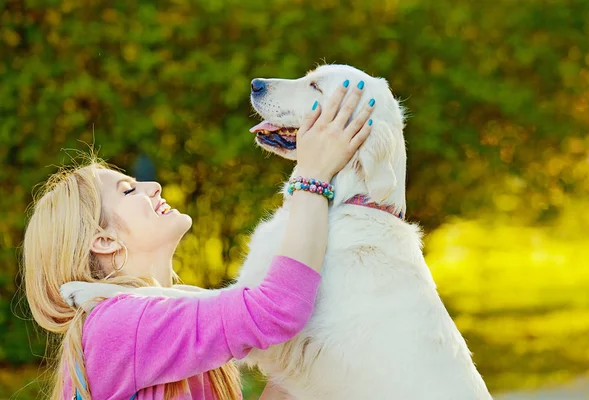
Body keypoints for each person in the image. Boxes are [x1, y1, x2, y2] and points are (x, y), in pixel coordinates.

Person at [23, 80, 375, 399]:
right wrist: (314, 176)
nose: (154, 186)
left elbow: (278, 326)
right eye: (129, 190)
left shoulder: (162, 320)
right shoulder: (122, 324)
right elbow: (276, 309)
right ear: (103, 240)